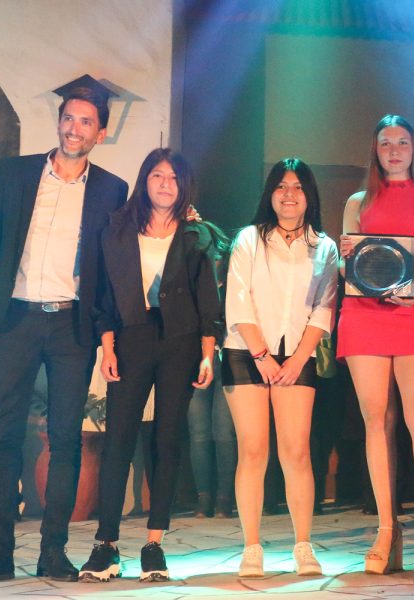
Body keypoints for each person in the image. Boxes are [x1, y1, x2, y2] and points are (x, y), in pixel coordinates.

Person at [0, 87, 129, 588]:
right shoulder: (16, 173)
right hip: (15, 320)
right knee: (4, 436)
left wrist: (108, 337)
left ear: (100, 133)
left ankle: (53, 552)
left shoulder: (111, 189)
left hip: (72, 326)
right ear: (60, 121)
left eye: (85, 122)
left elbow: (112, 271)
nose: (74, 128)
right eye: (69, 118)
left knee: (65, 439)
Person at [76, 148, 221, 582]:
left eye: (174, 178)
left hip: (181, 340)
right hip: (131, 336)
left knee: (167, 439)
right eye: (157, 175)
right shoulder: (118, 228)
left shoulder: (196, 234)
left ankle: (154, 544)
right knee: (119, 438)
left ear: (184, 185)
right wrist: (107, 347)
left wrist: (207, 352)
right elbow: (103, 294)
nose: (165, 184)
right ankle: (106, 545)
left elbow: (207, 297)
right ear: (145, 180)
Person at [337, 114, 414, 581]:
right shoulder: (357, 202)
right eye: (385, 142)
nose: (393, 150)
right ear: (375, 149)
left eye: (402, 142)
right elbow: (348, 263)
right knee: (376, 421)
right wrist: (348, 262)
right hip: (364, 315)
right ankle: (386, 530)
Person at [223, 158, 339, 577]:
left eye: (298, 187)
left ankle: (303, 545)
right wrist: (262, 357)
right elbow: (238, 299)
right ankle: (251, 547)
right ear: (270, 193)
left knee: (296, 451)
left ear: (309, 195)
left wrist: (298, 359)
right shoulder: (248, 239)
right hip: (246, 352)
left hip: (297, 358)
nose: (289, 194)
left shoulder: (324, 246)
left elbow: (324, 307)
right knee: (253, 450)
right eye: (281, 186)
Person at [187, 221, 237, 519]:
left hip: (229, 358)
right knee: (198, 432)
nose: (212, 262)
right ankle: (203, 499)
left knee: (224, 431)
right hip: (197, 360)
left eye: (216, 256)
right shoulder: (189, 284)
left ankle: (224, 499)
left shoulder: (235, 285)